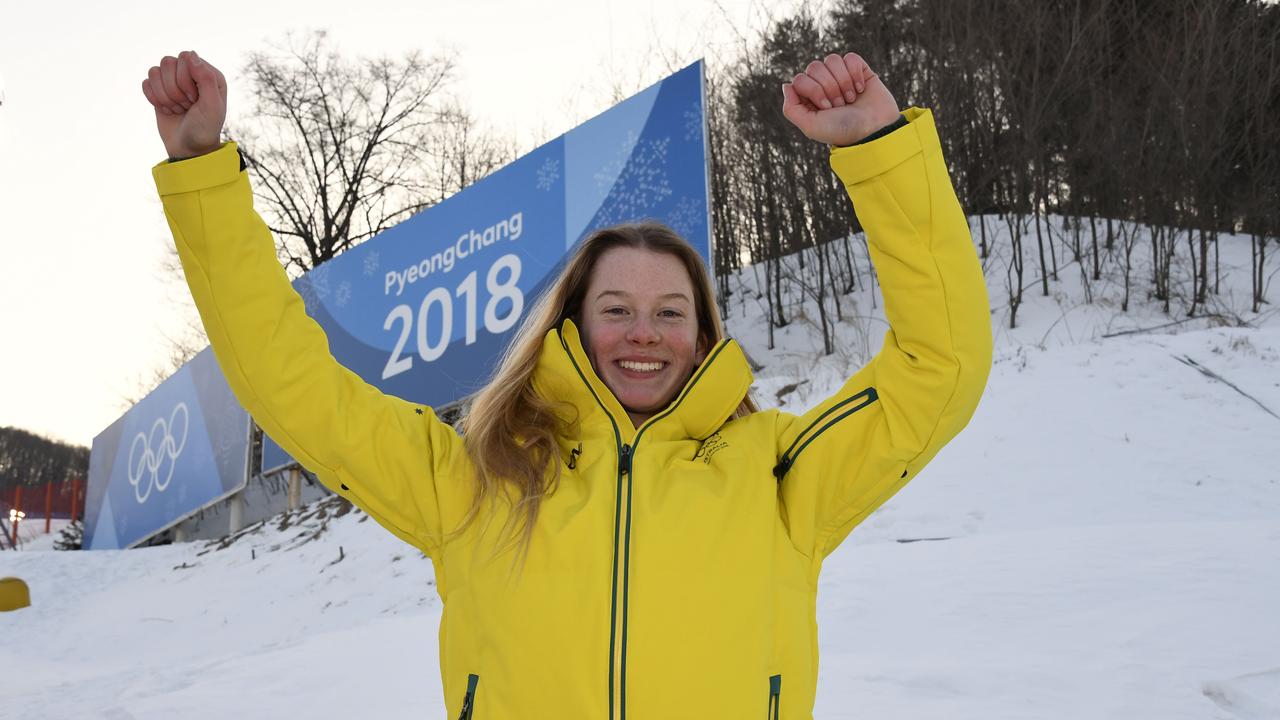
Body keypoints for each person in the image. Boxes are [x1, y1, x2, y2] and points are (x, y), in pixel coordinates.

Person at [143, 49, 991, 720]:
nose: (644, 335)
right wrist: (204, 173)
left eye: (671, 313)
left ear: (703, 338)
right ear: (573, 327)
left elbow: (941, 365)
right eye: (616, 307)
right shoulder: (472, 480)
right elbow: (286, 381)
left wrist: (878, 152)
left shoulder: (780, 477)